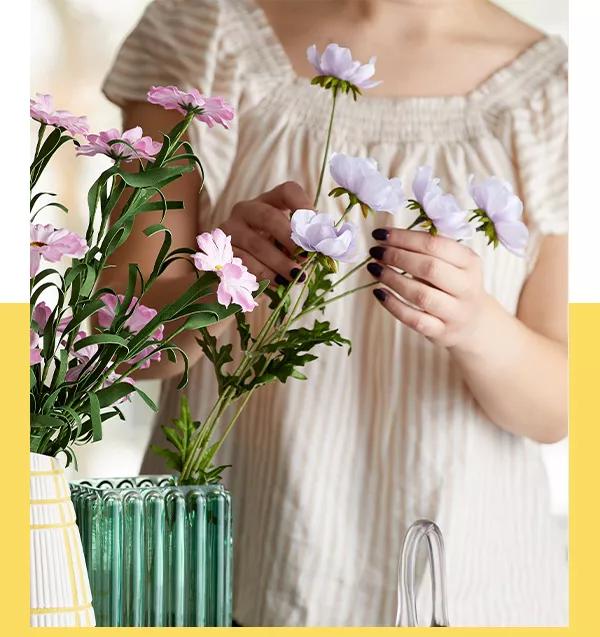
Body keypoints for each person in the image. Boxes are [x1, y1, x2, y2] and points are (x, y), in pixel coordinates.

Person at [101, 0, 568, 626]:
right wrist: (220, 284)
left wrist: (476, 325)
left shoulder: (558, 90)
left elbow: (562, 405)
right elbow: (116, 342)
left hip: (463, 587)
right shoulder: (203, 30)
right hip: (226, 576)